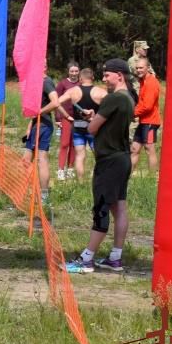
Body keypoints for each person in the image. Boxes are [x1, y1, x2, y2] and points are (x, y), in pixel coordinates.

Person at [65, 59, 136, 274]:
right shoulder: (129, 97)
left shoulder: (113, 98)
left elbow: (92, 129)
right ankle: (115, 257)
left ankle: (87, 259)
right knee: (119, 207)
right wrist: (96, 116)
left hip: (109, 160)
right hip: (123, 158)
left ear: (119, 75)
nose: (103, 79)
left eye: (107, 75)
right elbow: (109, 122)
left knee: (101, 207)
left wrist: (91, 119)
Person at [22, 62, 71, 205]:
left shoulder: (46, 82)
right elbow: (55, 104)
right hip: (37, 124)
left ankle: (43, 196)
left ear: (45, 67)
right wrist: (67, 116)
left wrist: (40, 112)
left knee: (40, 159)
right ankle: (26, 194)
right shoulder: (38, 82)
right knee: (26, 160)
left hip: (43, 125)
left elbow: (55, 102)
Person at [56, 68, 107, 181]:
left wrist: (66, 116)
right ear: (92, 77)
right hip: (94, 128)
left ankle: (80, 181)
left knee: (80, 155)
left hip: (78, 127)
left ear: (80, 79)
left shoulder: (73, 91)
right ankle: (97, 178)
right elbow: (111, 107)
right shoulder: (101, 92)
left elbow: (56, 103)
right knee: (98, 155)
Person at [131, 56, 161, 173]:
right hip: (143, 121)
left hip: (150, 122)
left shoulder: (151, 83)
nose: (138, 70)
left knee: (149, 148)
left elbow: (147, 106)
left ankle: (153, 177)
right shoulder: (143, 81)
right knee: (134, 148)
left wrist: (133, 113)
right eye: (137, 68)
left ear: (148, 68)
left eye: (141, 68)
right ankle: (128, 176)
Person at [55, 62, 80, 181]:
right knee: (64, 144)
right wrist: (57, 118)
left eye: (76, 71)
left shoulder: (81, 84)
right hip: (65, 117)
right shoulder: (62, 84)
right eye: (72, 71)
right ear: (68, 71)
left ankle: (70, 169)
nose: (74, 73)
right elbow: (56, 102)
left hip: (78, 118)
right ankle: (60, 170)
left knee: (74, 144)